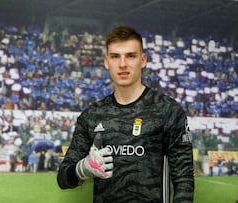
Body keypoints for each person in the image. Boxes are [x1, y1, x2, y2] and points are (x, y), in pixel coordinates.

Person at [57, 26, 194, 203]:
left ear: (143, 60)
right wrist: (82, 169)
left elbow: (184, 180)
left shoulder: (168, 111)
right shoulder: (92, 115)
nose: (123, 64)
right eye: (115, 56)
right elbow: (63, 178)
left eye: (130, 56)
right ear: (106, 62)